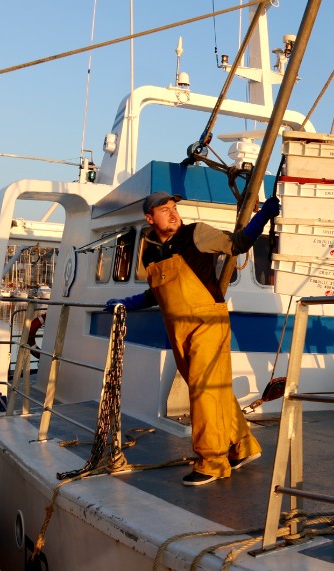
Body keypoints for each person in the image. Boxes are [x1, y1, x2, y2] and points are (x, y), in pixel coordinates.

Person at [106, 191, 280, 486]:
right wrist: (129, 302)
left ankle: (212, 462)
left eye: (174, 207)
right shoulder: (150, 251)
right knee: (214, 390)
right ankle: (244, 445)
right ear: (150, 219)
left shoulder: (197, 233)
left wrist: (262, 216)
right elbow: (156, 292)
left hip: (207, 322)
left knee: (203, 391)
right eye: (164, 210)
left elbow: (237, 243)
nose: (173, 213)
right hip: (177, 328)